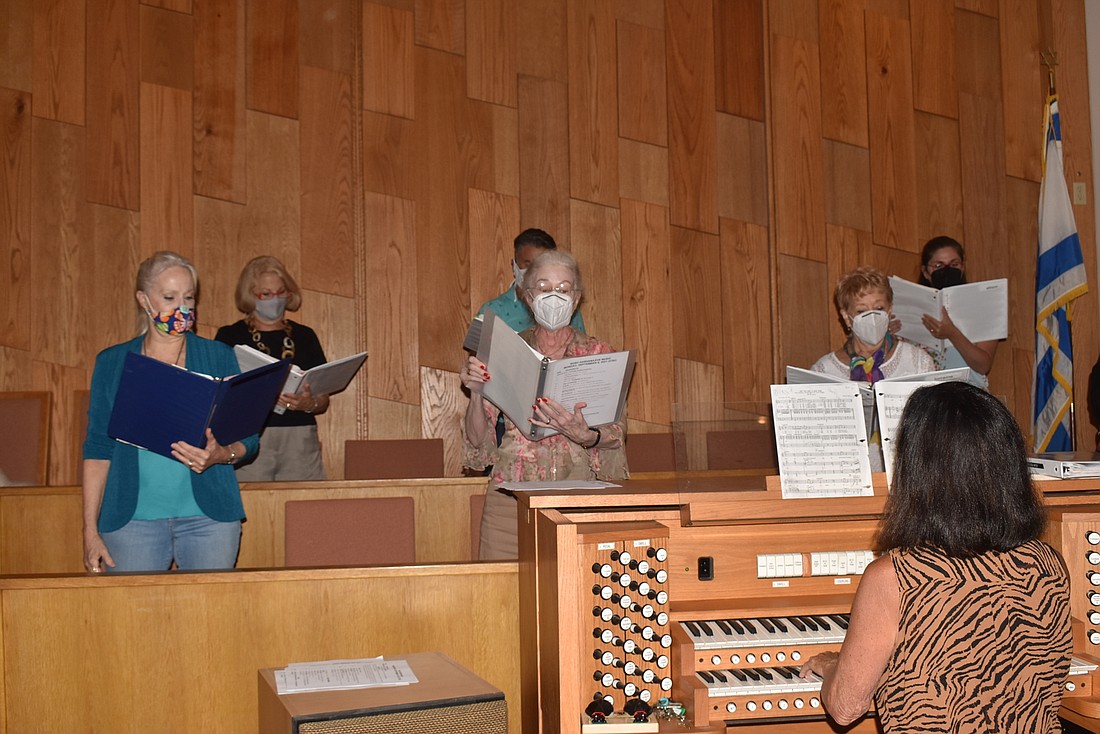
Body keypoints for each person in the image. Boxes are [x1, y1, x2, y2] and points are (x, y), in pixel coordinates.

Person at [799, 382, 1071, 732]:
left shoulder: (896, 576)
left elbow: (846, 707)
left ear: (917, 473)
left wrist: (831, 664)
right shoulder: (1048, 563)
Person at [82, 251, 255, 573]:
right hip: (131, 522)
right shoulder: (112, 362)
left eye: (188, 297)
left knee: (210, 619)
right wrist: (90, 530)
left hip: (209, 519)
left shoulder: (218, 356)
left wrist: (220, 454)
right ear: (143, 300)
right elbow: (97, 448)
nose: (182, 308)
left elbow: (249, 439)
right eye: (169, 297)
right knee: (135, 621)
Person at [461, 250, 627, 560]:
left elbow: (616, 434)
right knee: (502, 598)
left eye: (564, 288)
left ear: (576, 299)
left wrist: (586, 435)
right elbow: (477, 443)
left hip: (576, 500)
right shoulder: (503, 349)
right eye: (543, 286)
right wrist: (477, 393)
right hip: (509, 505)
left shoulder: (598, 353)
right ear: (527, 295)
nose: (554, 296)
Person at [215, 256, 328, 481]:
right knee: (255, 508)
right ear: (250, 295)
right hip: (249, 435)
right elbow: (219, 393)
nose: (274, 299)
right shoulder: (230, 336)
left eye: (280, 292)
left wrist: (308, 403)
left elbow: (323, 399)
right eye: (265, 294)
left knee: (305, 507)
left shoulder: (304, 336)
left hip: (299, 437)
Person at [811, 265, 936, 383]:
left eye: (879, 308)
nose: (872, 317)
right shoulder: (824, 370)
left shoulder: (918, 362)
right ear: (846, 316)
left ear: (890, 310)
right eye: (862, 311)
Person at [915, 235, 999, 389]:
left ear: (962, 266)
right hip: (926, 397)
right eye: (939, 266)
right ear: (926, 272)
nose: (947, 270)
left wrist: (952, 333)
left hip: (967, 396)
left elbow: (983, 365)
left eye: (954, 264)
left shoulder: (983, 305)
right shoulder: (913, 308)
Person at [476, 228, 585, 333]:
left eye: (540, 266)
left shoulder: (566, 308)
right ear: (514, 266)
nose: (532, 273)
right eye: (528, 265)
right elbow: (475, 350)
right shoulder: (493, 311)